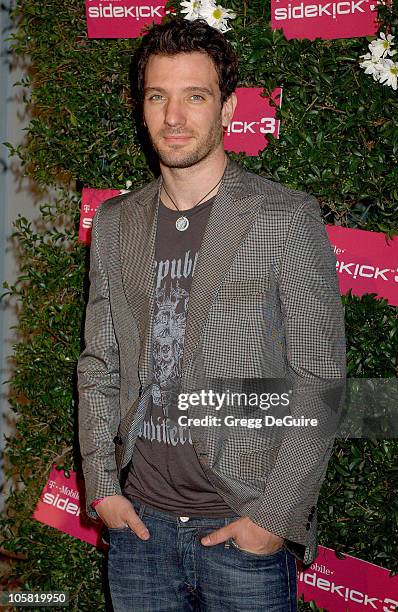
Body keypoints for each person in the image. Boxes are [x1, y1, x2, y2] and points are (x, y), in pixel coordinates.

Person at [77, 17, 346, 612]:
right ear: (141, 108)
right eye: (158, 96)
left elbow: (320, 380)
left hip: (240, 527)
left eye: (194, 96)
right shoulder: (117, 224)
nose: (174, 117)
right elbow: (100, 364)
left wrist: (271, 519)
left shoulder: (284, 217)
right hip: (138, 528)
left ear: (227, 109)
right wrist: (101, 488)